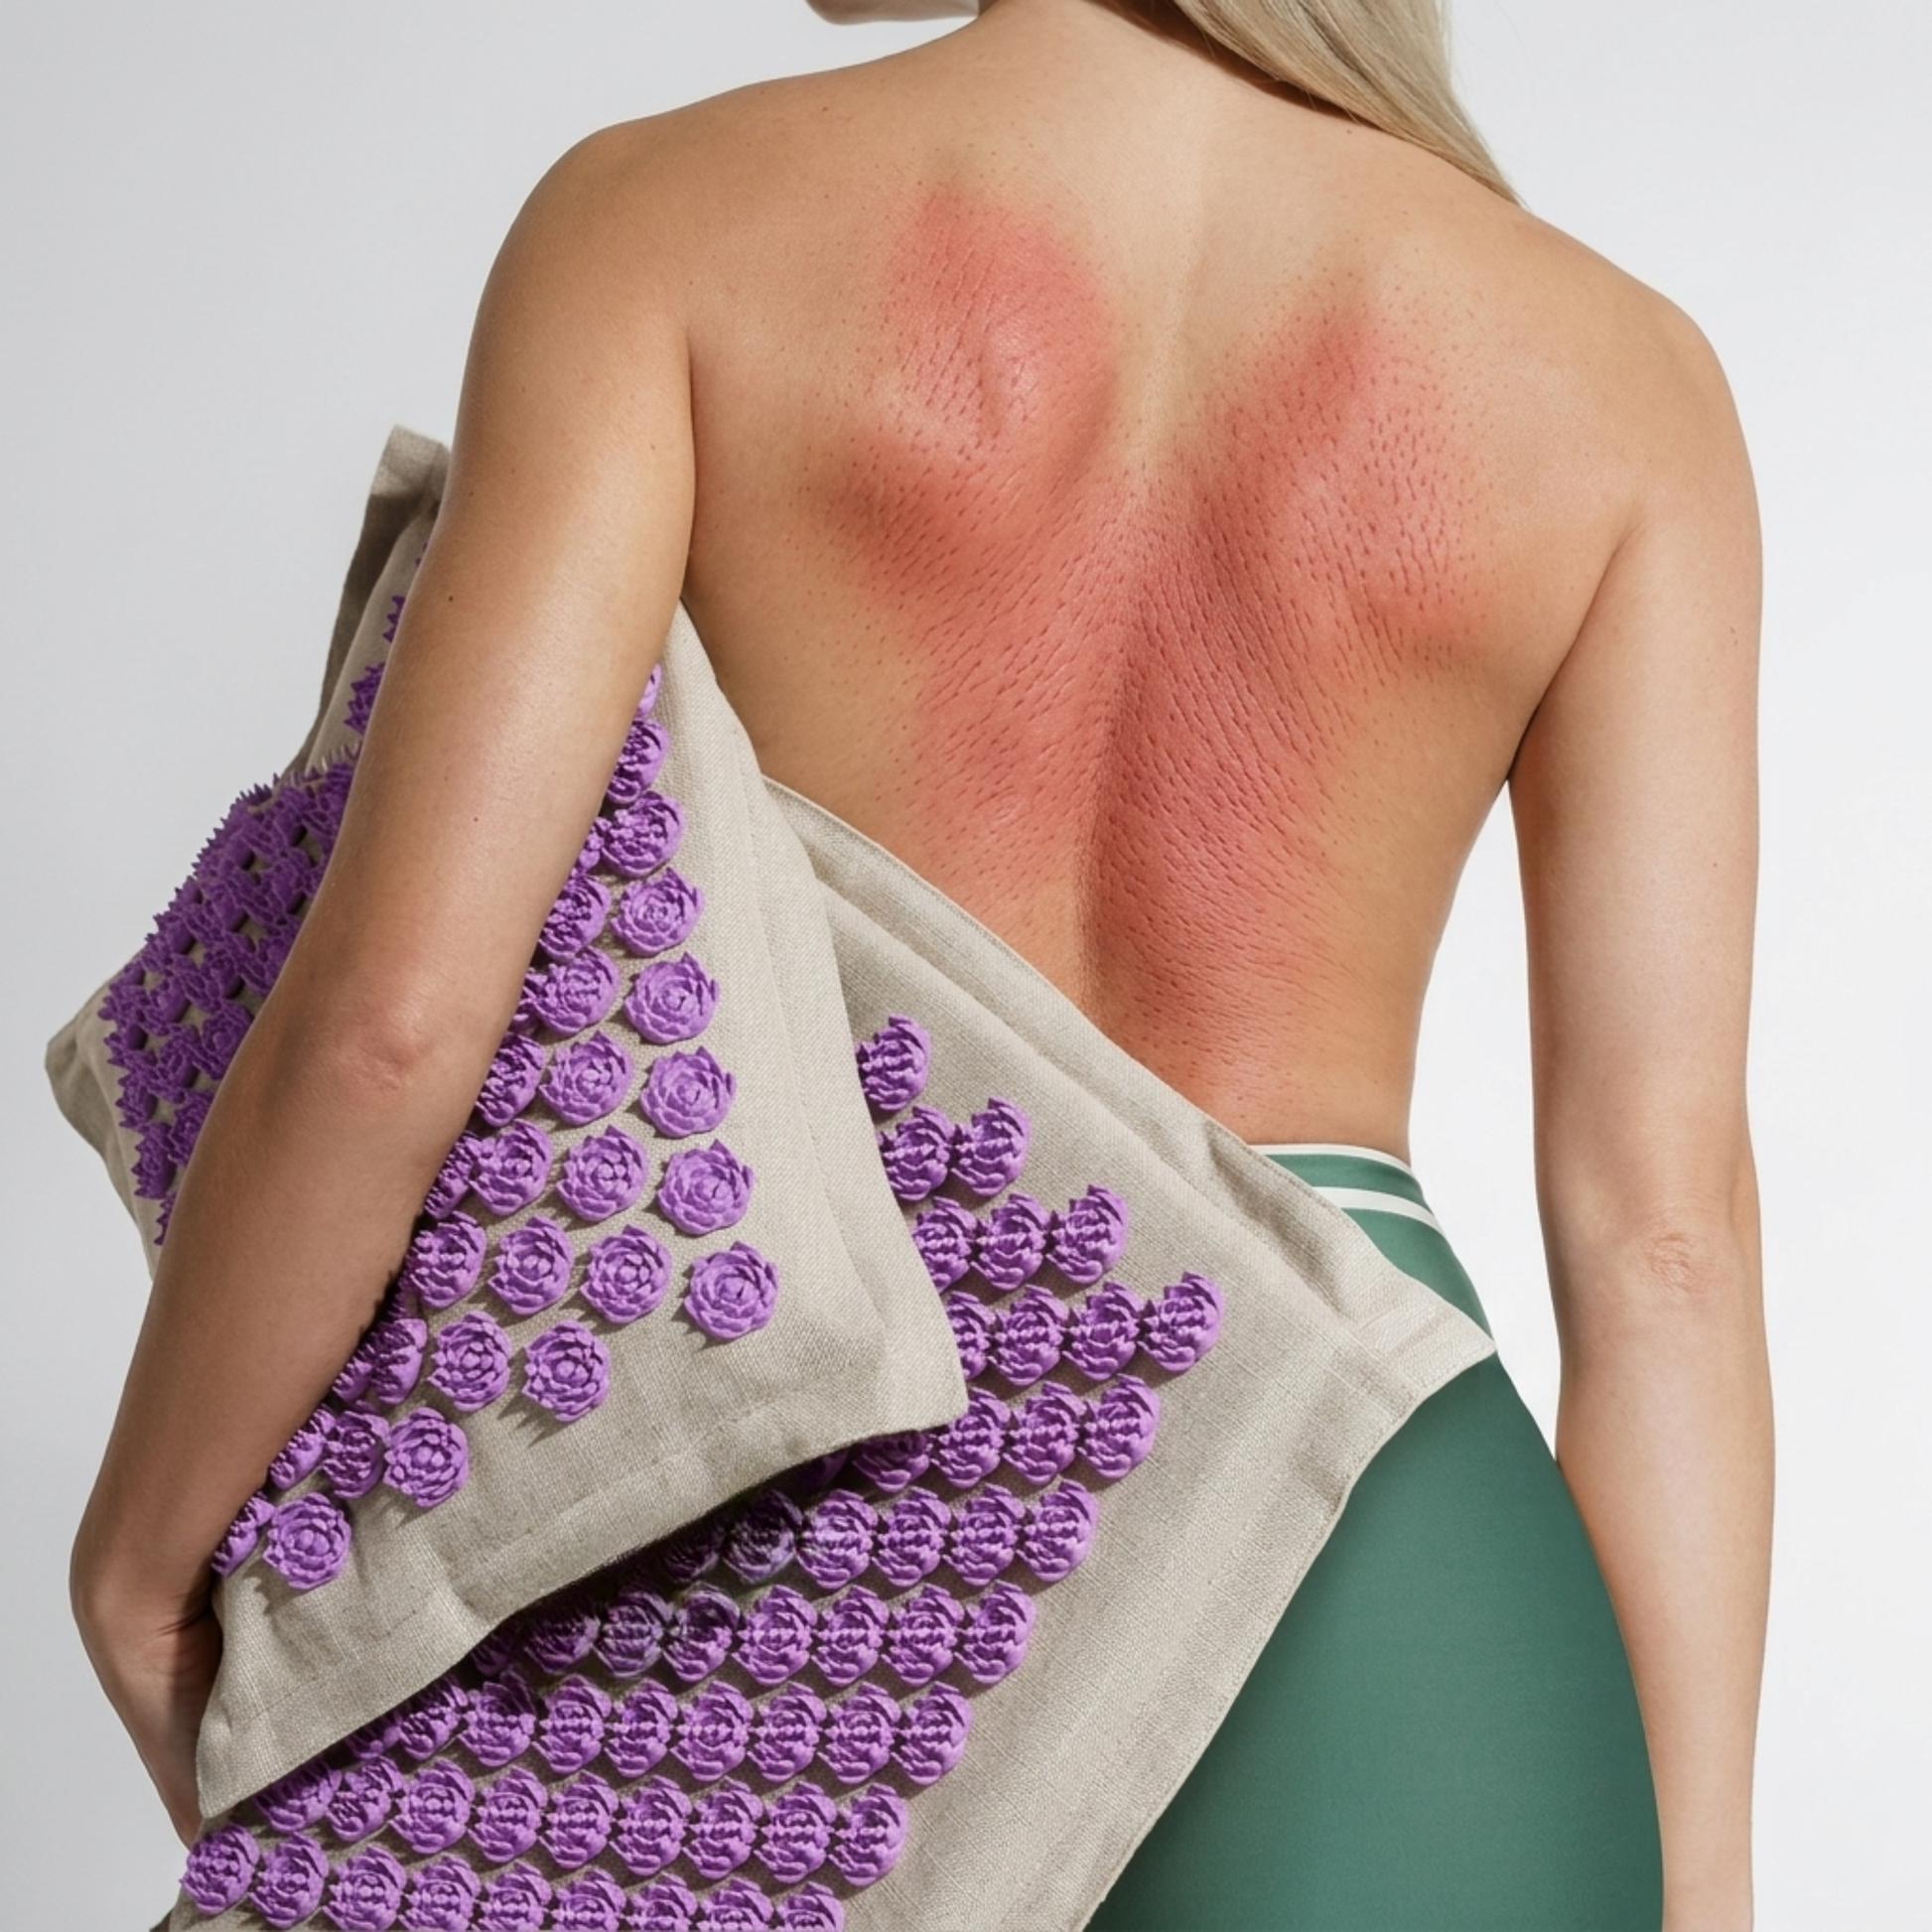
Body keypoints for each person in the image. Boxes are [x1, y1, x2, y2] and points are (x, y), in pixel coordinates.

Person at [69, 0, 1771, 1925]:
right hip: (1383, 1554)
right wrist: (1703, 1889)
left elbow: (391, 1030)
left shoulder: (665, 223)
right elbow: (1663, 1249)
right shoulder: (1616, 376)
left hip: (808, 1580)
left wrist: (139, 1558)